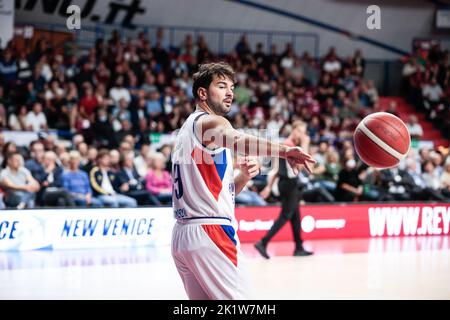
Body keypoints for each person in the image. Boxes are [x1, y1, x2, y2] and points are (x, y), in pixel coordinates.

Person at [171, 62, 316, 300]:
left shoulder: (188, 129)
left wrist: (244, 176)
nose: (230, 92)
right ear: (202, 93)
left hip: (184, 236)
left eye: (232, 87)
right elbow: (237, 139)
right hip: (211, 233)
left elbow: (220, 194)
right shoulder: (210, 122)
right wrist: (284, 150)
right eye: (221, 86)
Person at [255, 121, 314, 259]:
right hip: (289, 184)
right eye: (301, 131)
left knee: (295, 217)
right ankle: (263, 242)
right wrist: (306, 144)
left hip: (286, 183)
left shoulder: (286, 145)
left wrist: (269, 187)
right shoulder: (290, 146)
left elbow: (277, 170)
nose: (302, 135)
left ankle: (299, 247)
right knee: (286, 215)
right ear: (294, 130)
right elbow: (300, 168)